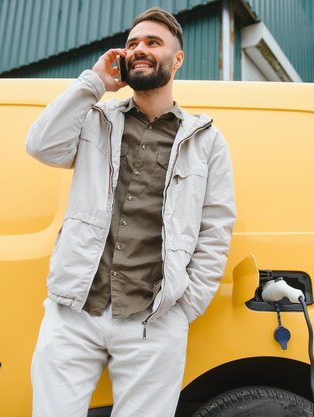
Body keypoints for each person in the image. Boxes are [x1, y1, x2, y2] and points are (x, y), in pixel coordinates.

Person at [26, 7, 235, 417]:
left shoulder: (206, 139)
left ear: (177, 60)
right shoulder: (96, 118)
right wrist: (94, 83)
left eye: (153, 43)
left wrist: (183, 308)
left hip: (152, 320)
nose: (139, 49)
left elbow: (216, 227)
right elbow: (41, 145)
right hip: (74, 312)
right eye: (133, 43)